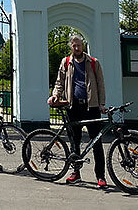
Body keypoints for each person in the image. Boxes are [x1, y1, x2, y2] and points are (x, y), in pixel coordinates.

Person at [48, 34, 107, 187]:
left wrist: (102, 103)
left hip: (91, 107)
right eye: (74, 45)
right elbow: (60, 81)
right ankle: (76, 173)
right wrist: (55, 95)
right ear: (71, 47)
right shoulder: (66, 62)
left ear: (83, 45)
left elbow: (100, 84)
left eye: (79, 45)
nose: (76, 48)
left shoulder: (93, 63)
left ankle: (100, 176)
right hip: (73, 107)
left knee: (97, 142)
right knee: (75, 142)